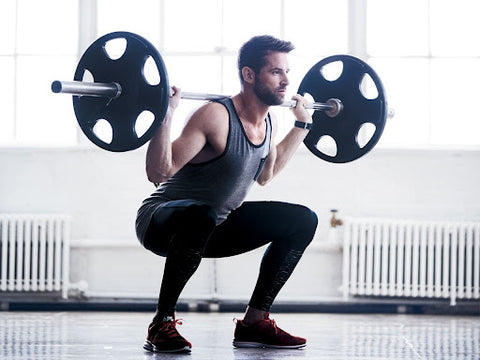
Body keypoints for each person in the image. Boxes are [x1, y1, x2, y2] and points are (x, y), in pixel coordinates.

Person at [135, 35, 318, 353]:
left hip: (213, 226)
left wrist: (302, 125)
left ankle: (255, 323)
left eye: (287, 72)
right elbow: (158, 173)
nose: (287, 81)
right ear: (249, 75)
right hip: (161, 222)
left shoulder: (268, 121)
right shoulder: (215, 116)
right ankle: (161, 323)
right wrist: (165, 113)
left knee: (303, 220)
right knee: (200, 213)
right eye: (276, 72)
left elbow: (265, 175)